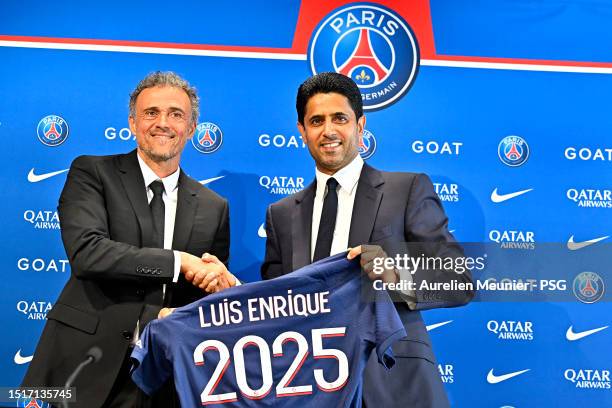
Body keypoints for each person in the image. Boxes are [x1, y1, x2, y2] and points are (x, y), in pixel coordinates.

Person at [22, 71, 238, 408]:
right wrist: (178, 261)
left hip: (166, 373)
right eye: (151, 113)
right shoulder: (92, 173)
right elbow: (88, 253)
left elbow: (202, 297)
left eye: (175, 114)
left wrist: (222, 287)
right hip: (85, 365)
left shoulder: (214, 206)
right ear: (133, 123)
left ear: (192, 129)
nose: (162, 123)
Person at [260, 72, 473, 408]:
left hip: (393, 384)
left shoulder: (407, 190)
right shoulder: (281, 214)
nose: (328, 130)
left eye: (339, 118)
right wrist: (233, 295)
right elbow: (276, 305)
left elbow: (458, 282)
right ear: (302, 131)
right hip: (310, 388)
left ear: (360, 127)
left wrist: (395, 274)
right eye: (316, 120)